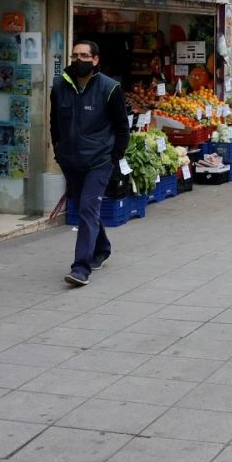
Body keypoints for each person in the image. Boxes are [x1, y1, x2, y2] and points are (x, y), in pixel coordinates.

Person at [50, 40, 130, 287]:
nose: (78, 60)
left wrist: (114, 157)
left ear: (95, 60)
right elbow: (54, 123)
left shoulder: (109, 88)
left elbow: (122, 127)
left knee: (86, 208)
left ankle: (80, 268)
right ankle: (102, 247)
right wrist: (59, 150)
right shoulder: (60, 86)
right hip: (71, 160)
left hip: (99, 160)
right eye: (75, 55)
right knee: (87, 208)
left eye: (84, 56)